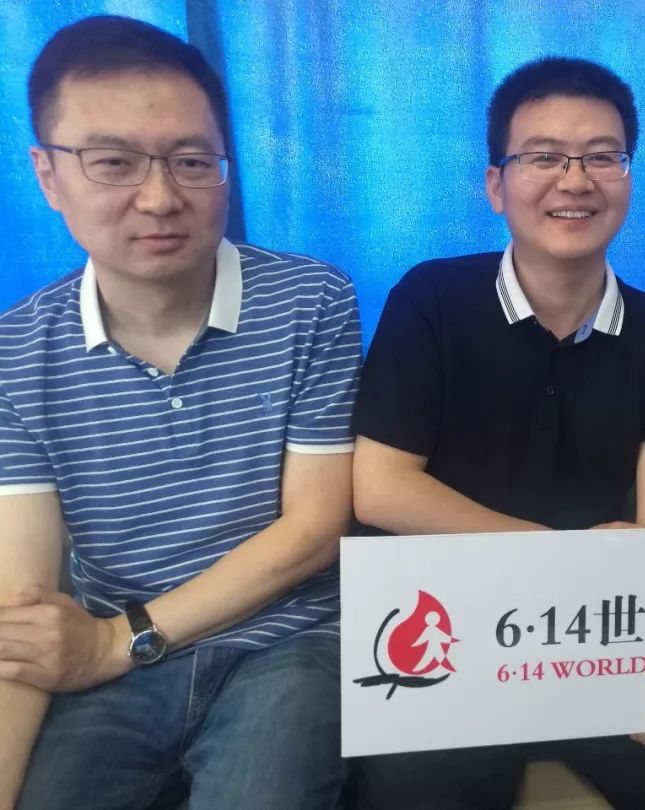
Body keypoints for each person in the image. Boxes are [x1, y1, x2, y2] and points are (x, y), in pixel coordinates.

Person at [351, 55, 645, 809]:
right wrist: (563, 554)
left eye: (602, 156)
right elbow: (382, 489)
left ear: (628, 177)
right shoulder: (432, 299)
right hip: (450, 629)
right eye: (543, 157)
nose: (575, 179)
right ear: (496, 185)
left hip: (604, 634)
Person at [0, 16, 360, 809]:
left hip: (289, 641)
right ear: (48, 175)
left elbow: (314, 528)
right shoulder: (14, 355)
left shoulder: (312, 300)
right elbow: (22, 615)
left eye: (192, 162)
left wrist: (117, 639)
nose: (161, 197)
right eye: (113, 162)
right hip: (113, 670)